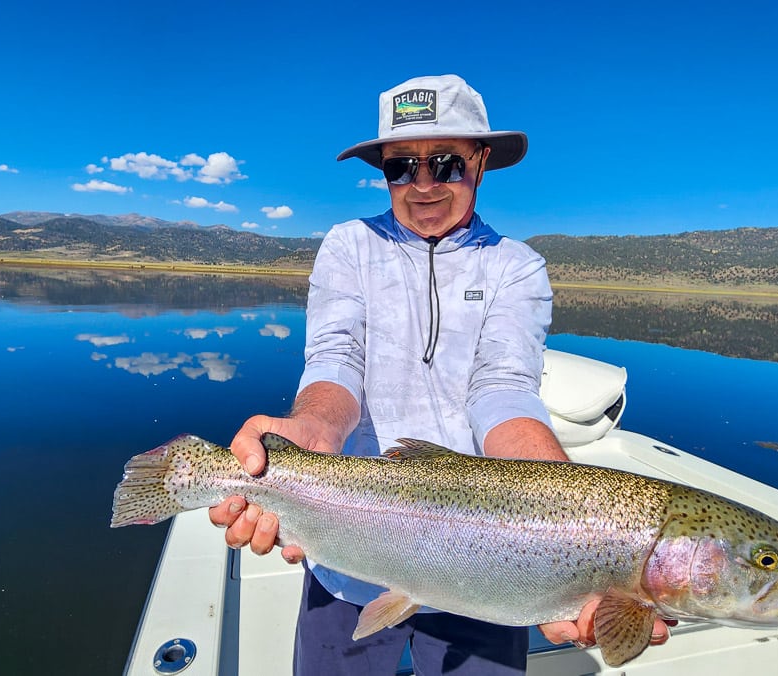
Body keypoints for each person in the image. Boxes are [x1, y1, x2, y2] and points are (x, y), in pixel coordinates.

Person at [208, 74, 671, 675]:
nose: (422, 184)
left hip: (489, 559)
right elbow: (336, 360)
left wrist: (563, 513)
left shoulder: (517, 268)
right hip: (353, 537)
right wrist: (314, 431)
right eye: (401, 167)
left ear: (481, 162)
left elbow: (502, 390)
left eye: (446, 163)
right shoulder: (349, 246)